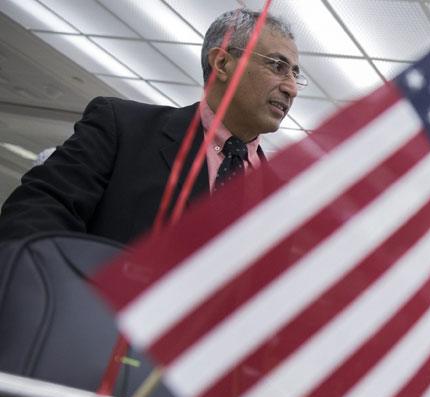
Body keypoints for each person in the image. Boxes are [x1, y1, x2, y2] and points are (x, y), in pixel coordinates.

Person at [0, 9, 302, 244]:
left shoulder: (284, 198)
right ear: (222, 64)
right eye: (277, 66)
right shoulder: (121, 129)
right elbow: (33, 216)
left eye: (295, 74)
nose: (292, 88)